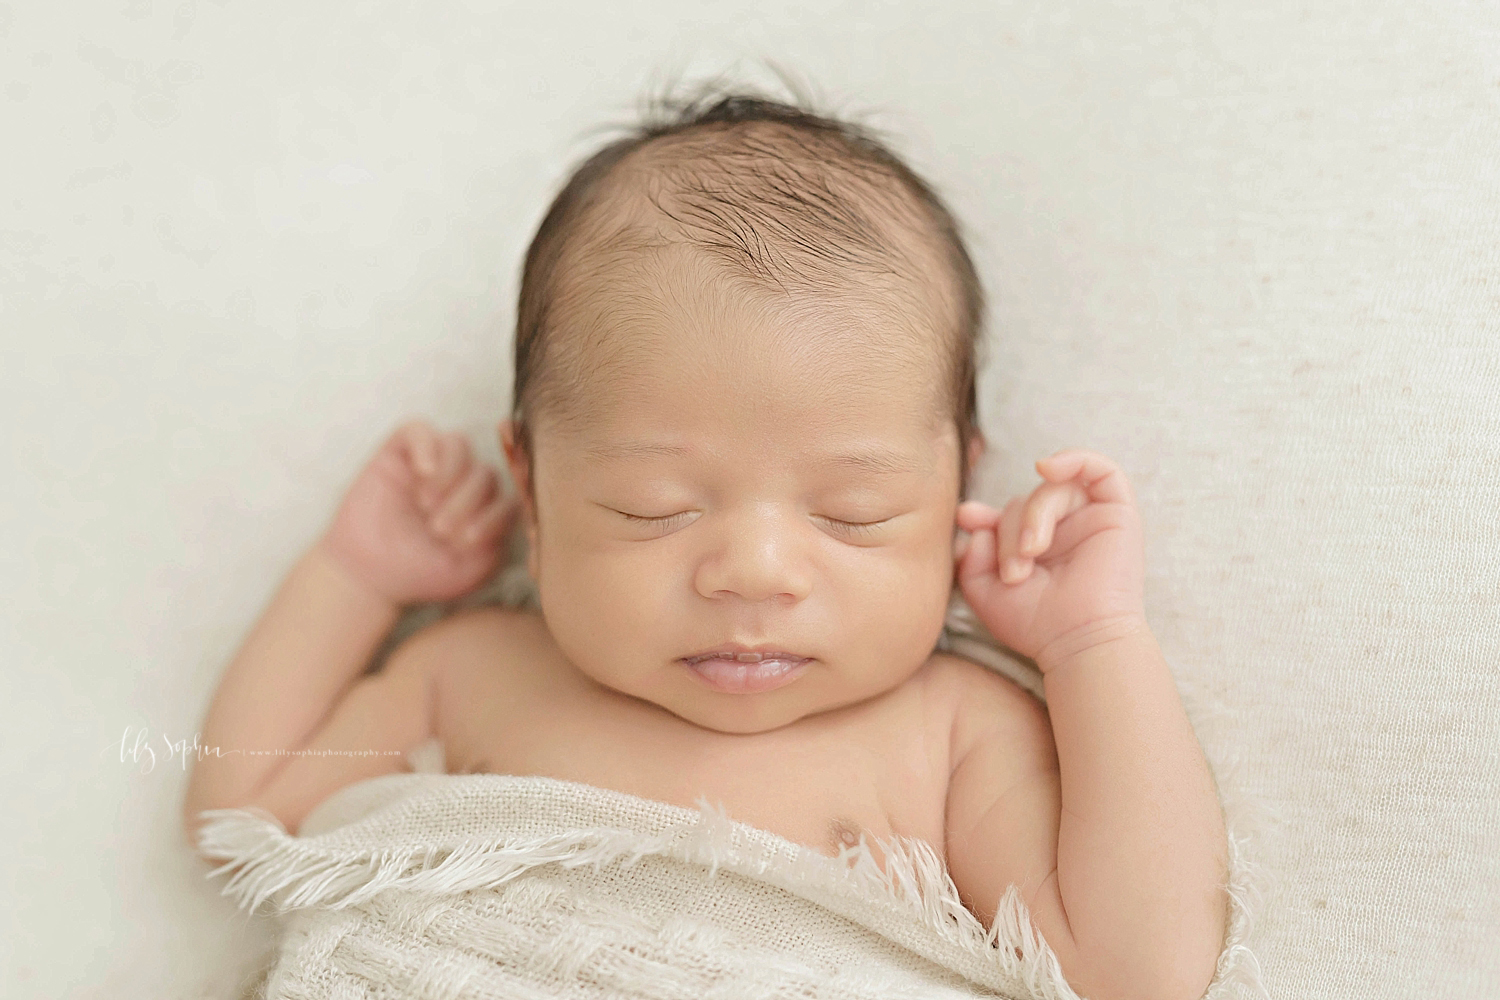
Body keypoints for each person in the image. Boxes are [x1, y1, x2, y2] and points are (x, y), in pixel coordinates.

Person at [183, 89, 1228, 1000]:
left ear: (962, 482)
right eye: (653, 506)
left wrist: (1093, 645)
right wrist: (354, 580)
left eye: (853, 511)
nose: (755, 573)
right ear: (533, 497)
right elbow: (236, 810)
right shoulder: (472, 672)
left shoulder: (949, 731)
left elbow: (1139, 970)